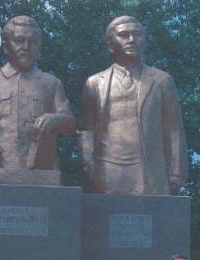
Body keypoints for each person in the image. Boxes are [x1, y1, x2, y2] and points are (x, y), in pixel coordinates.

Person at [78, 16, 187, 195]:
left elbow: (174, 128)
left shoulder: (162, 81)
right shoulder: (95, 83)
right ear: (110, 44)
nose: (131, 39)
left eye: (136, 34)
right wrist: (88, 162)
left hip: (149, 170)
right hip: (108, 169)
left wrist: (176, 171)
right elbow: (86, 128)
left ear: (145, 41)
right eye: (124, 35)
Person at [0, 16, 75, 170]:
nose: (26, 46)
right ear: (5, 46)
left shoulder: (52, 84)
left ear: (39, 48)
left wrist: (55, 119)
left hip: (42, 173)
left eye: (32, 42)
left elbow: (70, 124)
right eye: (19, 40)